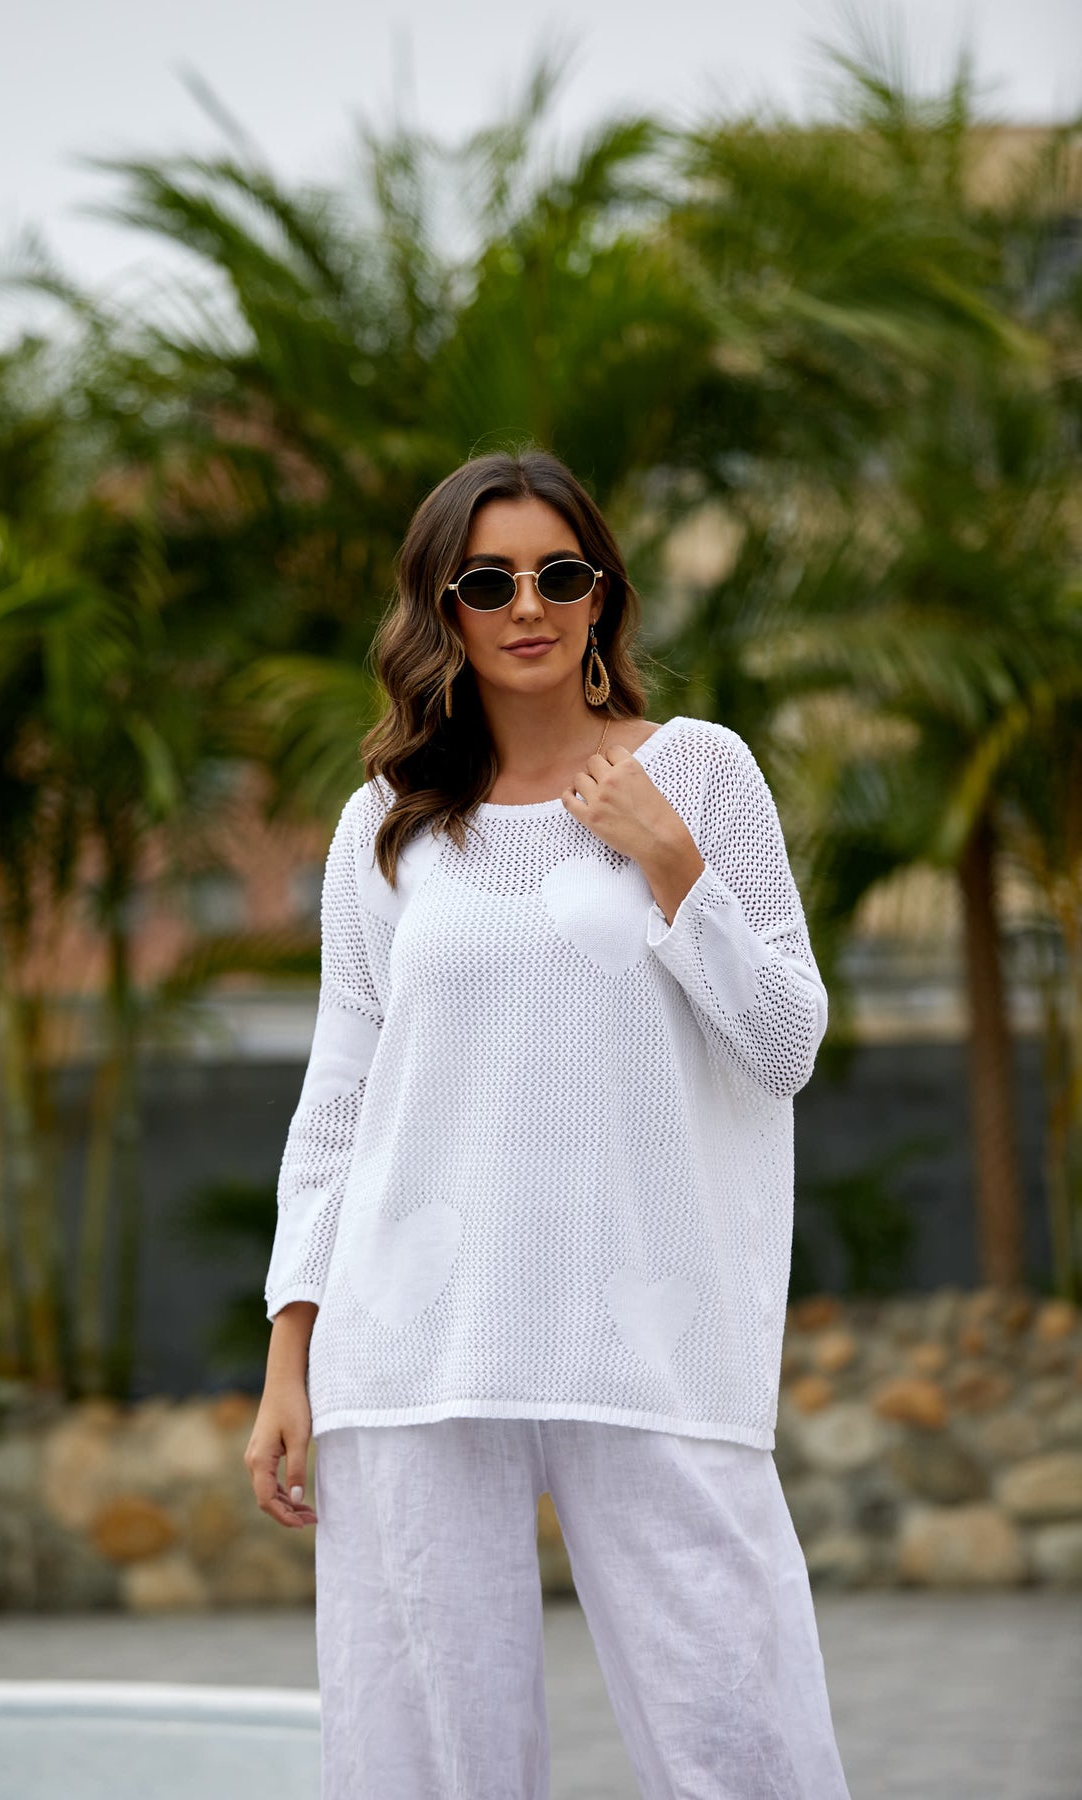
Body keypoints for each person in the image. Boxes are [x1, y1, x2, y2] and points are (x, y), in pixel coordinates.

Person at [245, 447, 852, 1799]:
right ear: (442, 610)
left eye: (558, 575)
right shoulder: (386, 827)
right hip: (413, 1346)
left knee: (740, 1737)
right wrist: (292, 1354)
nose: (528, 605)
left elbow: (785, 1043)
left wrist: (670, 858)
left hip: (649, 1329)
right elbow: (338, 1106)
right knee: (423, 1762)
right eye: (489, 582)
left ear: (601, 596)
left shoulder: (699, 771)